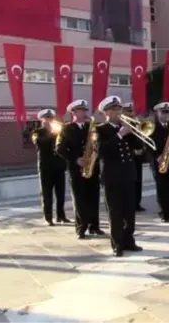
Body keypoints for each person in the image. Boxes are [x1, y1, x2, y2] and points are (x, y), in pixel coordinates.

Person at [96, 95, 142, 257]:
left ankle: (129, 240)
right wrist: (120, 135)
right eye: (114, 109)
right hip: (112, 177)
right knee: (115, 212)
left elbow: (139, 146)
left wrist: (134, 132)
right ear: (106, 112)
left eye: (119, 109)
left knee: (129, 211)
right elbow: (101, 151)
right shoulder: (99, 129)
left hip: (128, 174)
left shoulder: (127, 126)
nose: (118, 112)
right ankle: (117, 244)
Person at [56, 100, 104, 239]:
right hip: (76, 169)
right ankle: (81, 228)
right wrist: (76, 159)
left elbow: (97, 144)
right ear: (73, 113)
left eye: (84, 110)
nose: (84, 113)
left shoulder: (92, 127)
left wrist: (95, 151)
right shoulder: (66, 128)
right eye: (80, 111)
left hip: (92, 166)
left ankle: (94, 226)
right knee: (79, 199)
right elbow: (60, 149)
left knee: (93, 197)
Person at [31, 109, 70, 226]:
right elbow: (39, 144)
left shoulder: (59, 130)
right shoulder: (37, 132)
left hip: (59, 166)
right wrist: (51, 134)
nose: (49, 120)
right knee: (47, 193)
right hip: (46, 167)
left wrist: (61, 133)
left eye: (51, 118)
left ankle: (61, 215)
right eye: (46, 118)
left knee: (61, 192)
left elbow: (64, 144)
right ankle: (48, 217)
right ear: (42, 120)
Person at [148, 102, 169, 222]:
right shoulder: (152, 127)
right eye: (163, 112)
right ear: (157, 113)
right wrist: (157, 156)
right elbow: (148, 145)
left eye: (168, 112)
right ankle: (164, 213)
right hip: (159, 161)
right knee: (162, 188)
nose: (166, 114)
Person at [121, 103, 146, 211]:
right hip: (127, 156)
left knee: (138, 180)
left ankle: (137, 202)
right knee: (128, 182)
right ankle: (129, 204)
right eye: (127, 111)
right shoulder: (122, 125)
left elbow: (140, 139)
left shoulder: (135, 124)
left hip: (137, 156)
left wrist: (141, 147)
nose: (130, 114)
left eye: (131, 111)